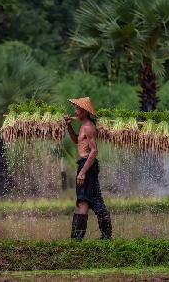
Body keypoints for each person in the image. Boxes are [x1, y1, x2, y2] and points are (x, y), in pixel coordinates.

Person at [64, 97, 112, 240]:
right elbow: (76, 142)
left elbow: (94, 151)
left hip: (87, 165)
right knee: (95, 200)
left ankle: (77, 239)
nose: (75, 111)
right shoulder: (83, 126)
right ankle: (106, 237)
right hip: (87, 165)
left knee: (83, 200)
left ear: (85, 112)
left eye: (78, 109)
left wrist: (82, 172)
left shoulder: (88, 127)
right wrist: (68, 126)